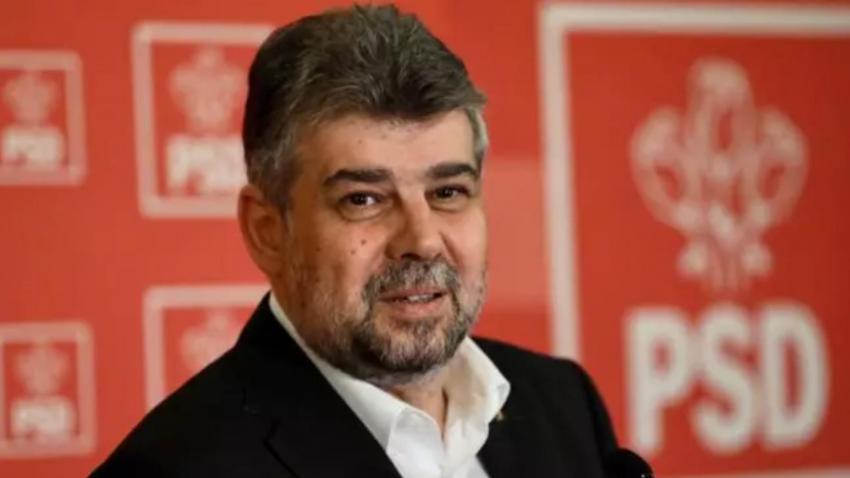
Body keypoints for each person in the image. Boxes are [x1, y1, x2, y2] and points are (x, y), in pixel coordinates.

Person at [92, 4, 619, 477]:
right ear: (267, 231)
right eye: (364, 199)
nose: (423, 240)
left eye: (447, 192)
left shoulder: (562, 405)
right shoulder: (175, 467)